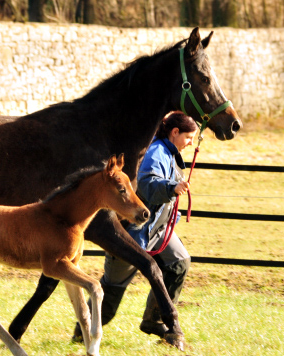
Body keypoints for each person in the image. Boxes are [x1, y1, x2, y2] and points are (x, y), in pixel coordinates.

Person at [73, 111, 197, 341]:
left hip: (158, 229)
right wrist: (171, 187)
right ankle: (82, 333)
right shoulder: (157, 152)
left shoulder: (170, 152)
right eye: (188, 137)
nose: (191, 143)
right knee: (112, 290)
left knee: (178, 262)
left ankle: (155, 320)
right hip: (136, 231)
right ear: (175, 132)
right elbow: (149, 183)